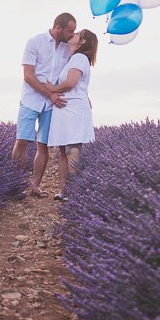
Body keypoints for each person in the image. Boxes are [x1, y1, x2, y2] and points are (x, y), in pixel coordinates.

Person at [11, 12, 77, 198]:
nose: (72, 34)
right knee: (22, 141)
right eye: (69, 31)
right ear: (58, 28)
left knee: (44, 145)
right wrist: (50, 94)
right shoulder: (35, 42)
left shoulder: (68, 48)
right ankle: (14, 184)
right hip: (30, 99)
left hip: (51, 105)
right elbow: (28, 76)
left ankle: (34, 186)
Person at [45, 29, 99, 201]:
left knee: (72, 149)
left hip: (74, 108)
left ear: (82, 42)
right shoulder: (72, 59)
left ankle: (73, 192)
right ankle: (64, 190)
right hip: (65, 108)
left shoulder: (79, 58)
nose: (73, 34)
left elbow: (70, 82)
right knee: (62, 150)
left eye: (76, 34)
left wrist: (51, 89)